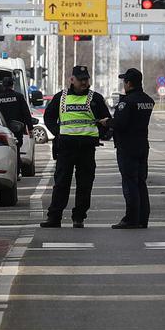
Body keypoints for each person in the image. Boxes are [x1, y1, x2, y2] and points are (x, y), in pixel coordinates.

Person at [41, 65, 111, 228]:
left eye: (86, 79)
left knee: (85, 184)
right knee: (61, 183)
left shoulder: (96, 98)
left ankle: (79, 217)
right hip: (66, 147)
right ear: (72, 79)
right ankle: (54, 217)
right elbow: (49, 117)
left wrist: (98, 133)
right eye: (81, 80)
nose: (84, 83)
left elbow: (106, 120)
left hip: (86, 148)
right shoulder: (60, 97)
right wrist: (58, 133)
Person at [99, 68, 154, 229]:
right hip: (142, 145)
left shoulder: (127, 102)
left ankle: (131, 218)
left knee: (129, 183)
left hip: (127, 147)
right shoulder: (148, 100)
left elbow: (120, 124)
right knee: (141, 183)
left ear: (128, 83)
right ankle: (143, 218)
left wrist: (107, 122)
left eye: (125, 81)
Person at [0, 76, 33, 173]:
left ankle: (7, 171)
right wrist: (30, 128)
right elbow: (26, 113)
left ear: (3, 86)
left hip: (2, 129)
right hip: (17, 129)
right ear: (12, 85)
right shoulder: (19, 97)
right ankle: (17, 172)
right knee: (16, 150)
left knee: (4, 150)